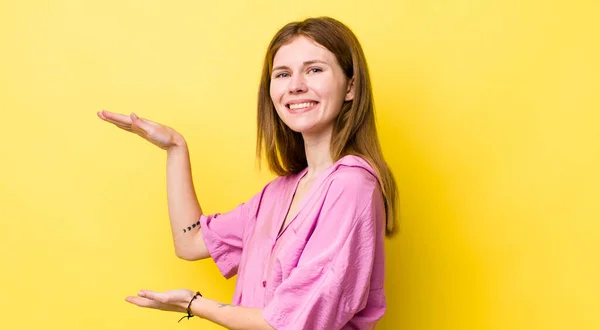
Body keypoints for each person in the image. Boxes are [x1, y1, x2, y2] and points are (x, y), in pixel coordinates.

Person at [98, 16, 398, 330]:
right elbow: (191, 242)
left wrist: (193, 303)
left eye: (315, 70)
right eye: (283, 74)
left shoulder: (351, 187)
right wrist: (175, 148)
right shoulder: (279, 192)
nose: (295, 85)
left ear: (350, 86)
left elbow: (291, 324)